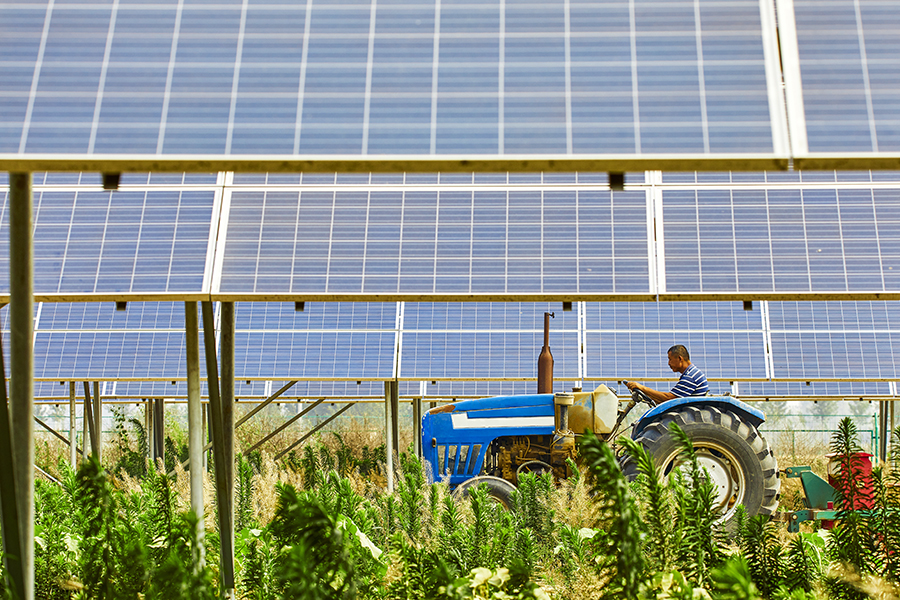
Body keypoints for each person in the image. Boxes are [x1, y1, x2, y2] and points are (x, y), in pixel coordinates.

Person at [625, 344, 708, 404]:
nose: (668, 363)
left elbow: (669, 399)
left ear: (679, 358)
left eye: (670, 359)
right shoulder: (691, 373)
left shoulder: (691, 377)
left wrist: (642, 387)